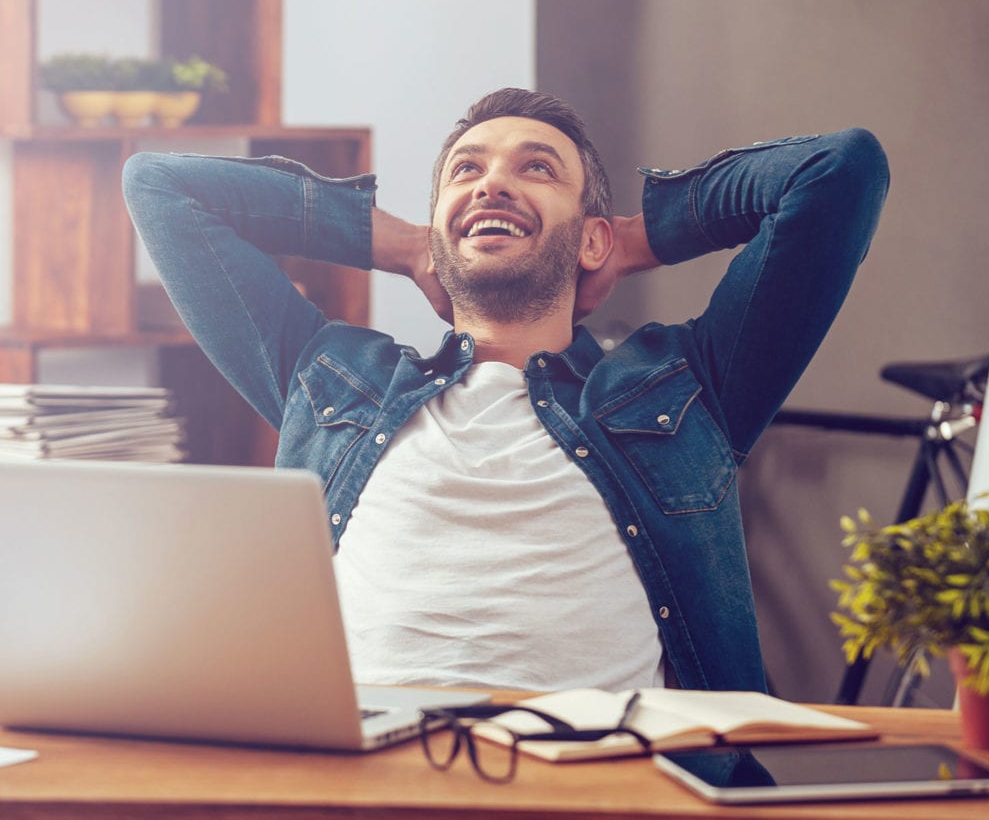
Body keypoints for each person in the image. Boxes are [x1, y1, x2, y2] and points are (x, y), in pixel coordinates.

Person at [122, 88, 889, 694]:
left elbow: (839, 172)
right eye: (467, 170)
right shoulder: (330, 382)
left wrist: (630, 239)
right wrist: (400, 243)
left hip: (607, 790)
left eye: (537, 168)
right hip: (367, 789)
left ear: (590, 235)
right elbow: (158, 187)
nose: (492, 182)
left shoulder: (688, 389)